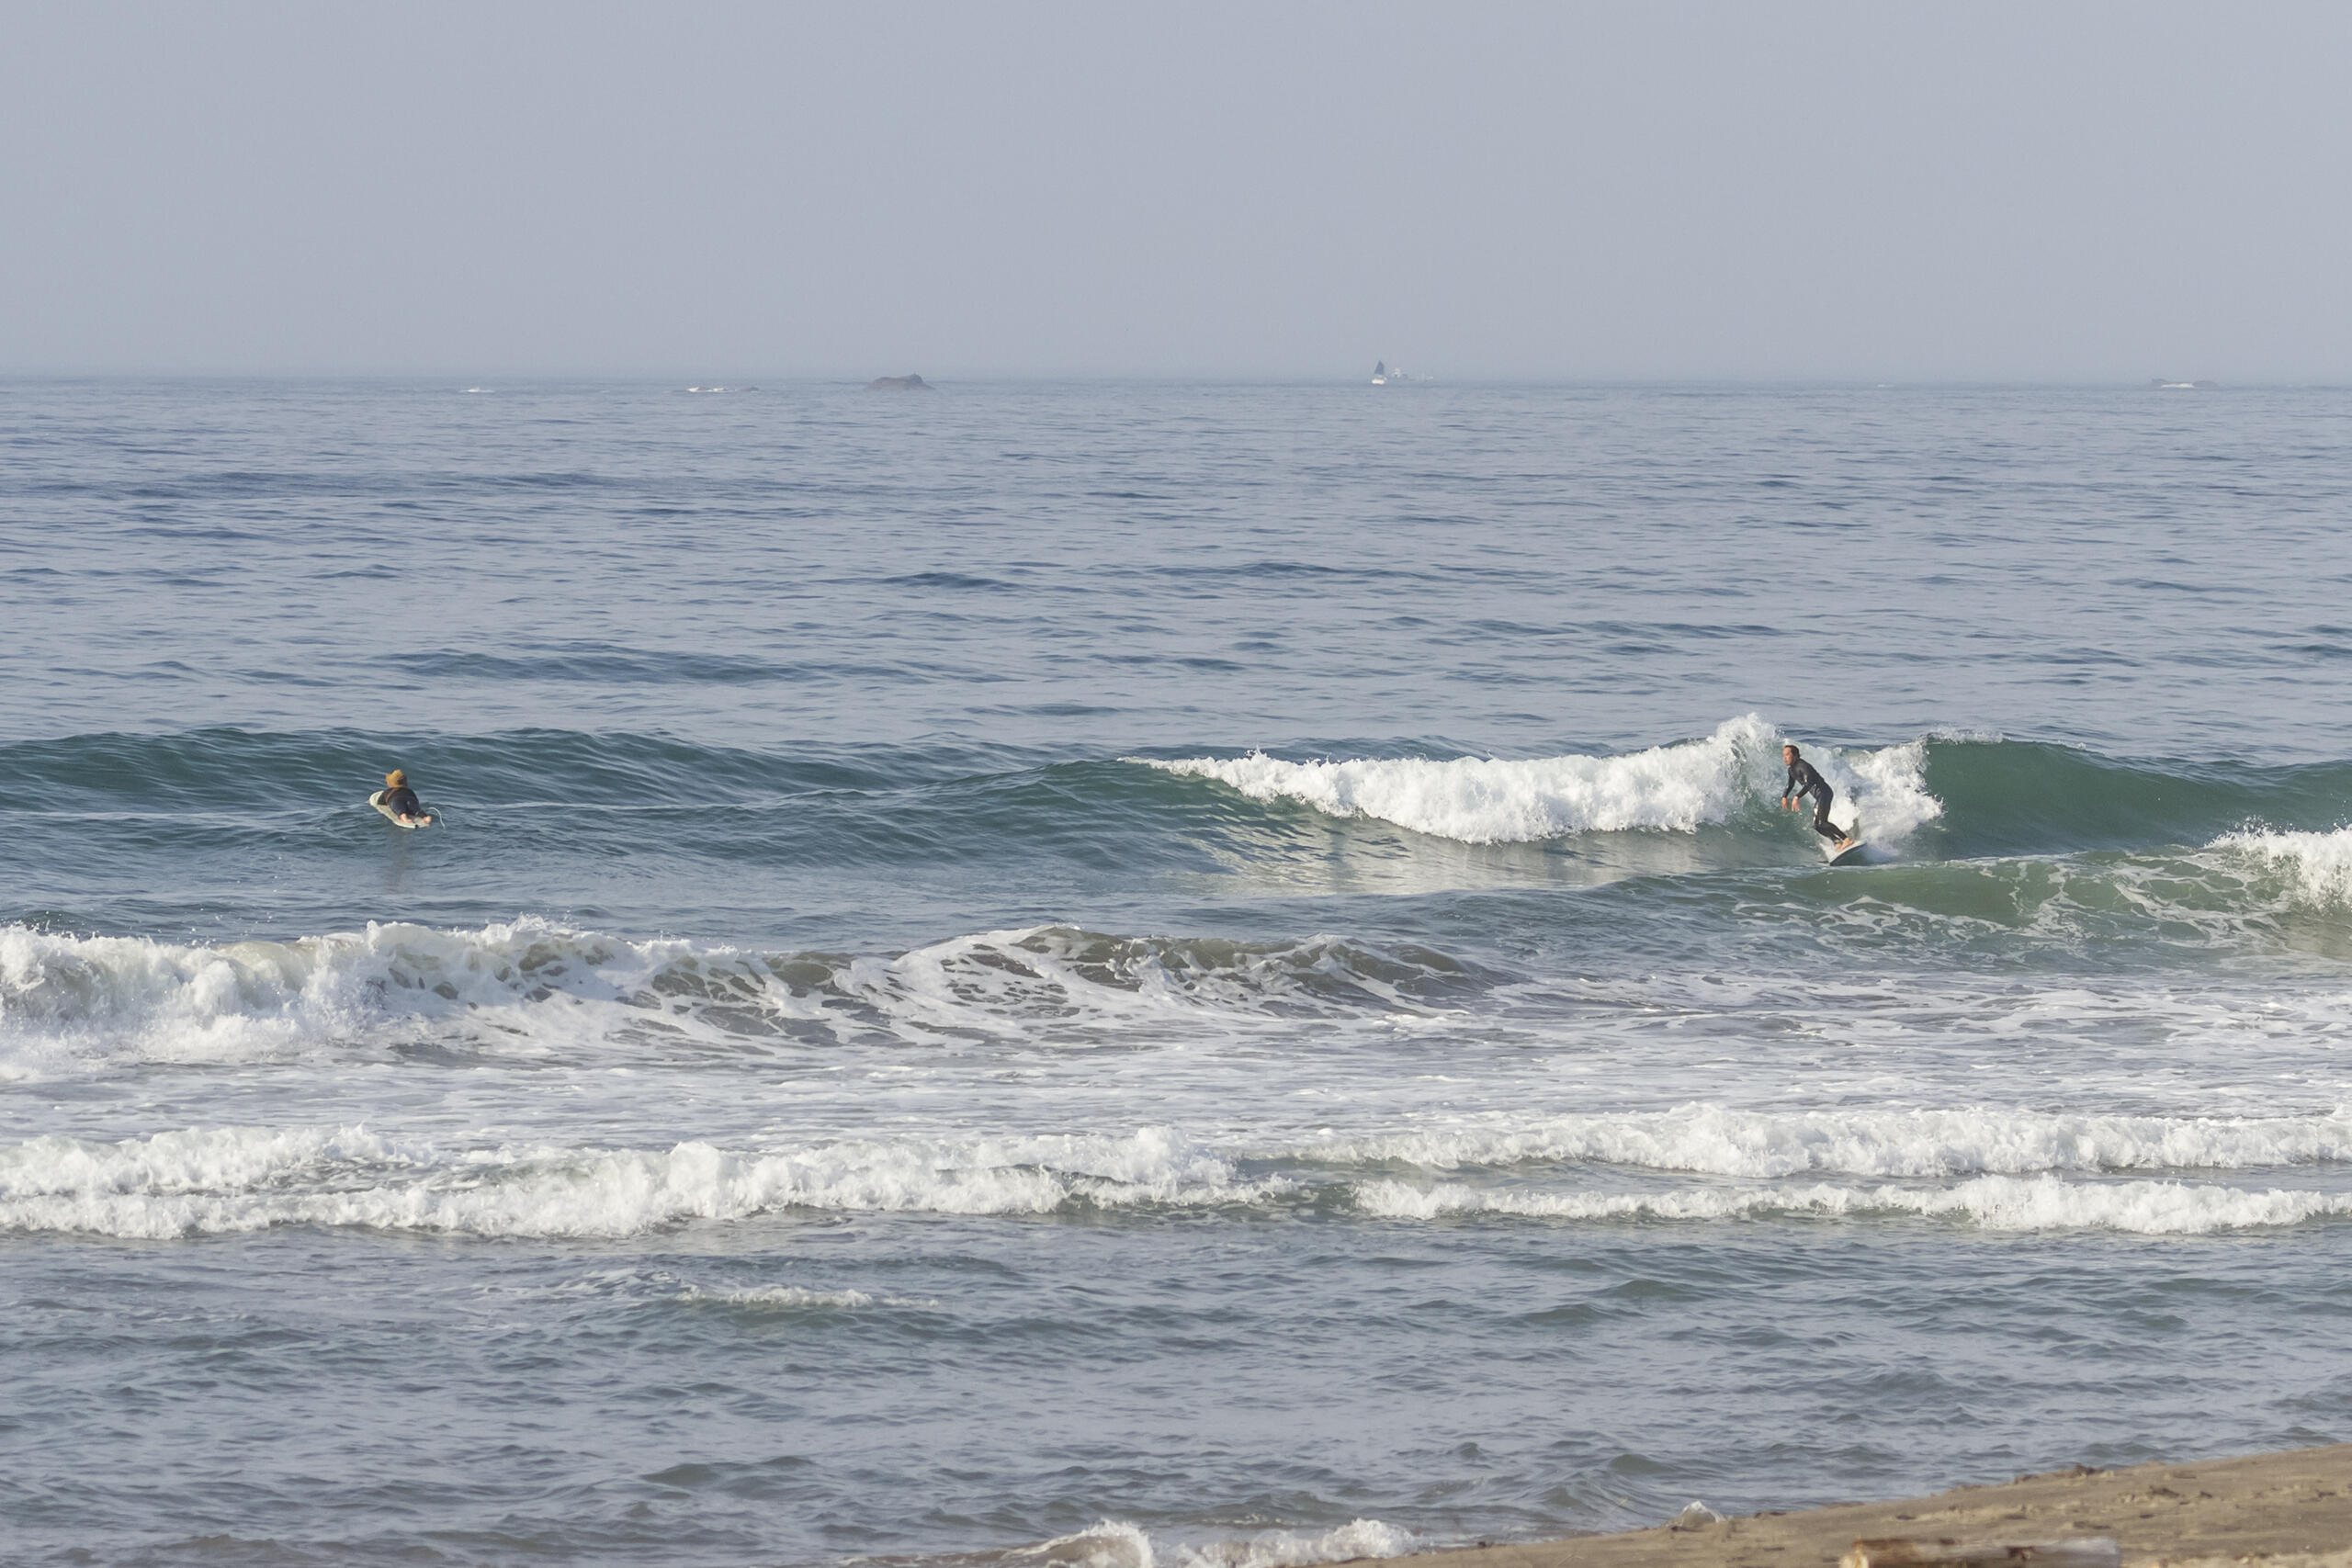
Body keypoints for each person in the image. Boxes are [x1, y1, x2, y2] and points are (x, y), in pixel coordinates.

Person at [1779, 743, 1851, 848]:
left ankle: (1846, 839)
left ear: (1795, 755)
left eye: (1787, 755)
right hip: (1820, 796)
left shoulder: (1802, 766)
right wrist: (1784, 796)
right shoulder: (1791, 770)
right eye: (1783, 755)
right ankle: (1836, 841)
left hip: (1824, 793)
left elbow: (1810, 783)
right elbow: (1790, 784)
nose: (1784, 758)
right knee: (1817, 825)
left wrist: (1797, 797)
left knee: (1822, 822)